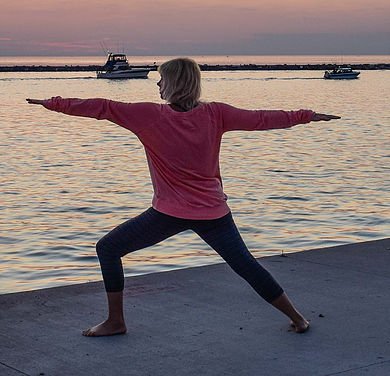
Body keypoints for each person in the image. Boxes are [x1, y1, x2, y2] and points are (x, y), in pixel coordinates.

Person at [27, 57, 340, 337]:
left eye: (162, 80)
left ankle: (115, 321)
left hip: (169, 213)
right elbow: (261, 119)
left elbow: (101, 107)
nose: (159, 85)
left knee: (108, 249)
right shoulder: (216, 113)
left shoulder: (148, 115)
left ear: (174, 84)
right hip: (213, 212)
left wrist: (53, 103)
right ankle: (298, 319)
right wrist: (307, 115)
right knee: (246, 265)